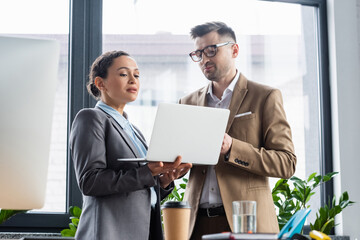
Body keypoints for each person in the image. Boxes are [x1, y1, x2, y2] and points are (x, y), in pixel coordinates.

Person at [180, 22, 297, 239]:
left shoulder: (265, 96)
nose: (204, 59)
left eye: (211, 50)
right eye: (198, 53)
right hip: (196, 225)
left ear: (234, 50)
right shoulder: (186, 102)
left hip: (246, 223)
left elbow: (287, 163)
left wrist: (232, 147)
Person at [69, 50, 192, 240]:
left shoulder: (134, 130)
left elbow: (141, 191)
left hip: (142, 232)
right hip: (108, 233)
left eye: (137, 75)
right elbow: (90, 181)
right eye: (124, 74)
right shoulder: (91, 118)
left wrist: (164, 181)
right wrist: (148, 172)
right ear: (100, 83)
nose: (133, 80)